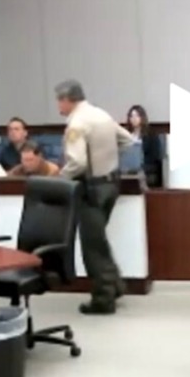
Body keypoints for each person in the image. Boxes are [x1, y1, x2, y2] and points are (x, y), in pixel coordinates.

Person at [56, 79, 135, 315]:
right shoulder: (101, 114)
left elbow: (77, 162)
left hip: (90, 189)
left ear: (67, 100)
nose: (58, 106)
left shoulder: (77, 123)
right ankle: (116, 284)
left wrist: (61, 178)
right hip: (111, 185)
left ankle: (103, 298)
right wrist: (106, 158)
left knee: (92, 246)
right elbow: (128, 140)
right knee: (98, 240)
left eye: (59, 100)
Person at [126, 104, 163, 188]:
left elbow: (155, 156)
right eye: (131, 116)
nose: (134, 119)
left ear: (142, 117)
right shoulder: (126, 135)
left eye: (137, 116)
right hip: (129, 167)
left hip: (146, 166)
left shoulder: (151, 135)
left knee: (139, 174)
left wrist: (141, 165)